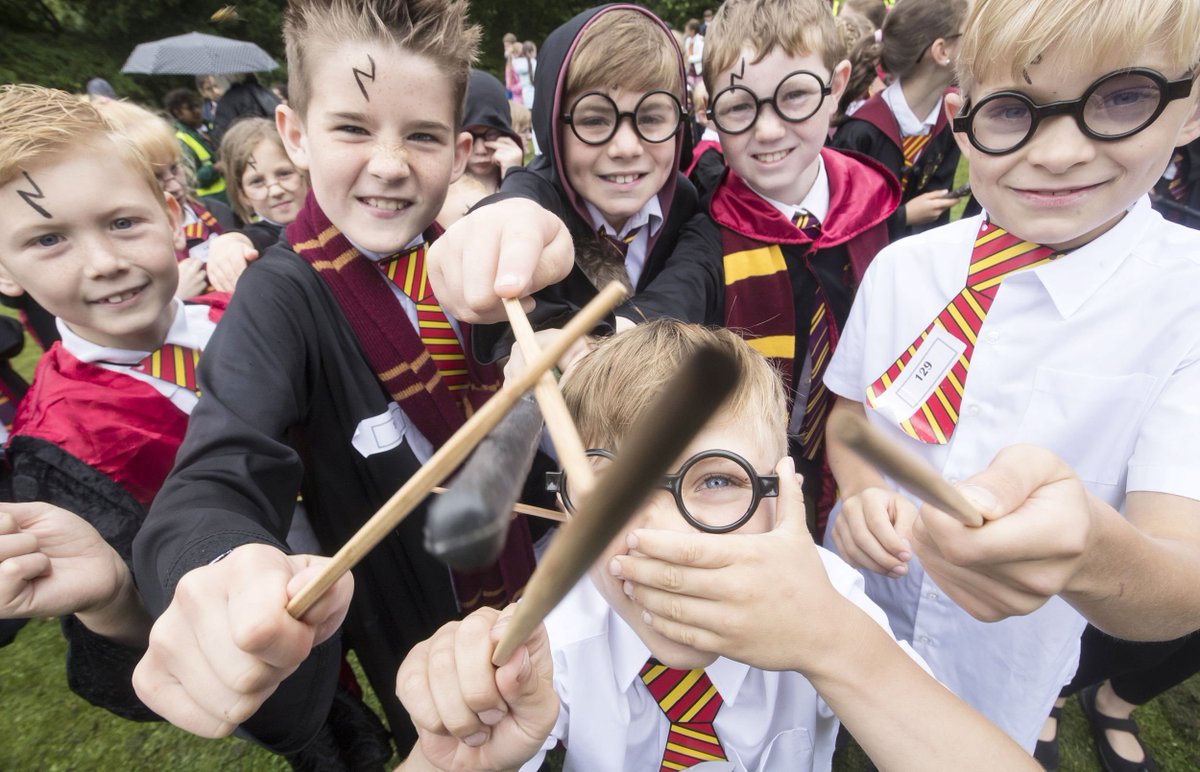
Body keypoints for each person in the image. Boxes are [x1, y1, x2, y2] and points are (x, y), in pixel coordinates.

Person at [131, 0, 536, 754]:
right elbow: (220, 466)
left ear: (458, 147)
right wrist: (215, 563)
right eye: (352, 128)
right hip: (414, 618)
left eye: (422, 135)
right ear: (295, 133)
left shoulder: (474, 258)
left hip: (533, 576)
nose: (389, 164)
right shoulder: (277, 297)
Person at [395, 320, 1040, 772]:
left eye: (715, 480)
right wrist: (452, 760)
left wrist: (839, 647)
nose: (657, 538)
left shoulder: (830, 600)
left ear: (780, 494)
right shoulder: (556, 640)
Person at [816, 0, 1200, 752]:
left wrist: (1091, 553)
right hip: (858, 603)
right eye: (1013, 110)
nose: (1058, 153)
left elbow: (1182, 580)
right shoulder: (904, 268)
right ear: (961, 119)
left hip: (1000, 666)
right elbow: (854, 419)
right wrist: (861, 492)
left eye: (1120, 98)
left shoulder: (1188, 306)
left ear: (1189, 110)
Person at [0, 84, 392, 770]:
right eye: (49, 238)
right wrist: (116, 605)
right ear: (4, 271)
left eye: (123, 223)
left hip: (377, 565)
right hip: (267, 646)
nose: (103, 262)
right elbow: (131, 667)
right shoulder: (56, 444)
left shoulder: (242, 310)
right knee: (334, 737)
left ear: (174, 213)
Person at [627, 0, 901, 535]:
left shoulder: (876, 205)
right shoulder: (710, 233)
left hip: (870, 483)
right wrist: (595, 345)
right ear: (711, 111)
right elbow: (658, 313)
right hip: (757, 504)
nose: (769, 131)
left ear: (838, 83)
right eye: (740, 107)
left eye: (795, 95)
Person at [429, 5, 701, 363]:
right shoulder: (540, 192)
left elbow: (693, 279)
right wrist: (497, 229)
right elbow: (518, 204)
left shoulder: (685, 203)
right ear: (553, 128)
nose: (626, 147)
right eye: (593, 119)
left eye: (651, 118)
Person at [830, 0, 968, 240]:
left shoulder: (948, 119)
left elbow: (937, 210)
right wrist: (904, 216)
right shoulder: (860, 132)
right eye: (968, 35)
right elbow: (839, 222)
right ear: (942, 51)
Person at [94, 100, 232, 293]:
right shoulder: (121, 254)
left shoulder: (216, 212)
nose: (174, 186)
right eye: (156, 177)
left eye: (175, 169)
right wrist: (174, 299)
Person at [205, 118, 309, 292]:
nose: (275, 190)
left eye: (284, 173)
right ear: (243, 195)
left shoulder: (335, 216)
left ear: (303, 170)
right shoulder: (261, 243)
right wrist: (226, 244)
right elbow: (246, 238)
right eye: (257, 182)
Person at [163, 88, 228, 205]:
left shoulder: (211, 126)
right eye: (190, 108)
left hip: (230, 191)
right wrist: (215, 168)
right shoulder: (181, 140)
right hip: (213, 200)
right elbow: (191, 178)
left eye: (197, 105)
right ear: (177, 113)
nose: (197, 111)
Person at [212, 73, 282, 146]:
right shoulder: (266, 92)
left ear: (224, 79)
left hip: (249, 150)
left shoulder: (227, 102)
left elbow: (221, 139)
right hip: (277, 143)